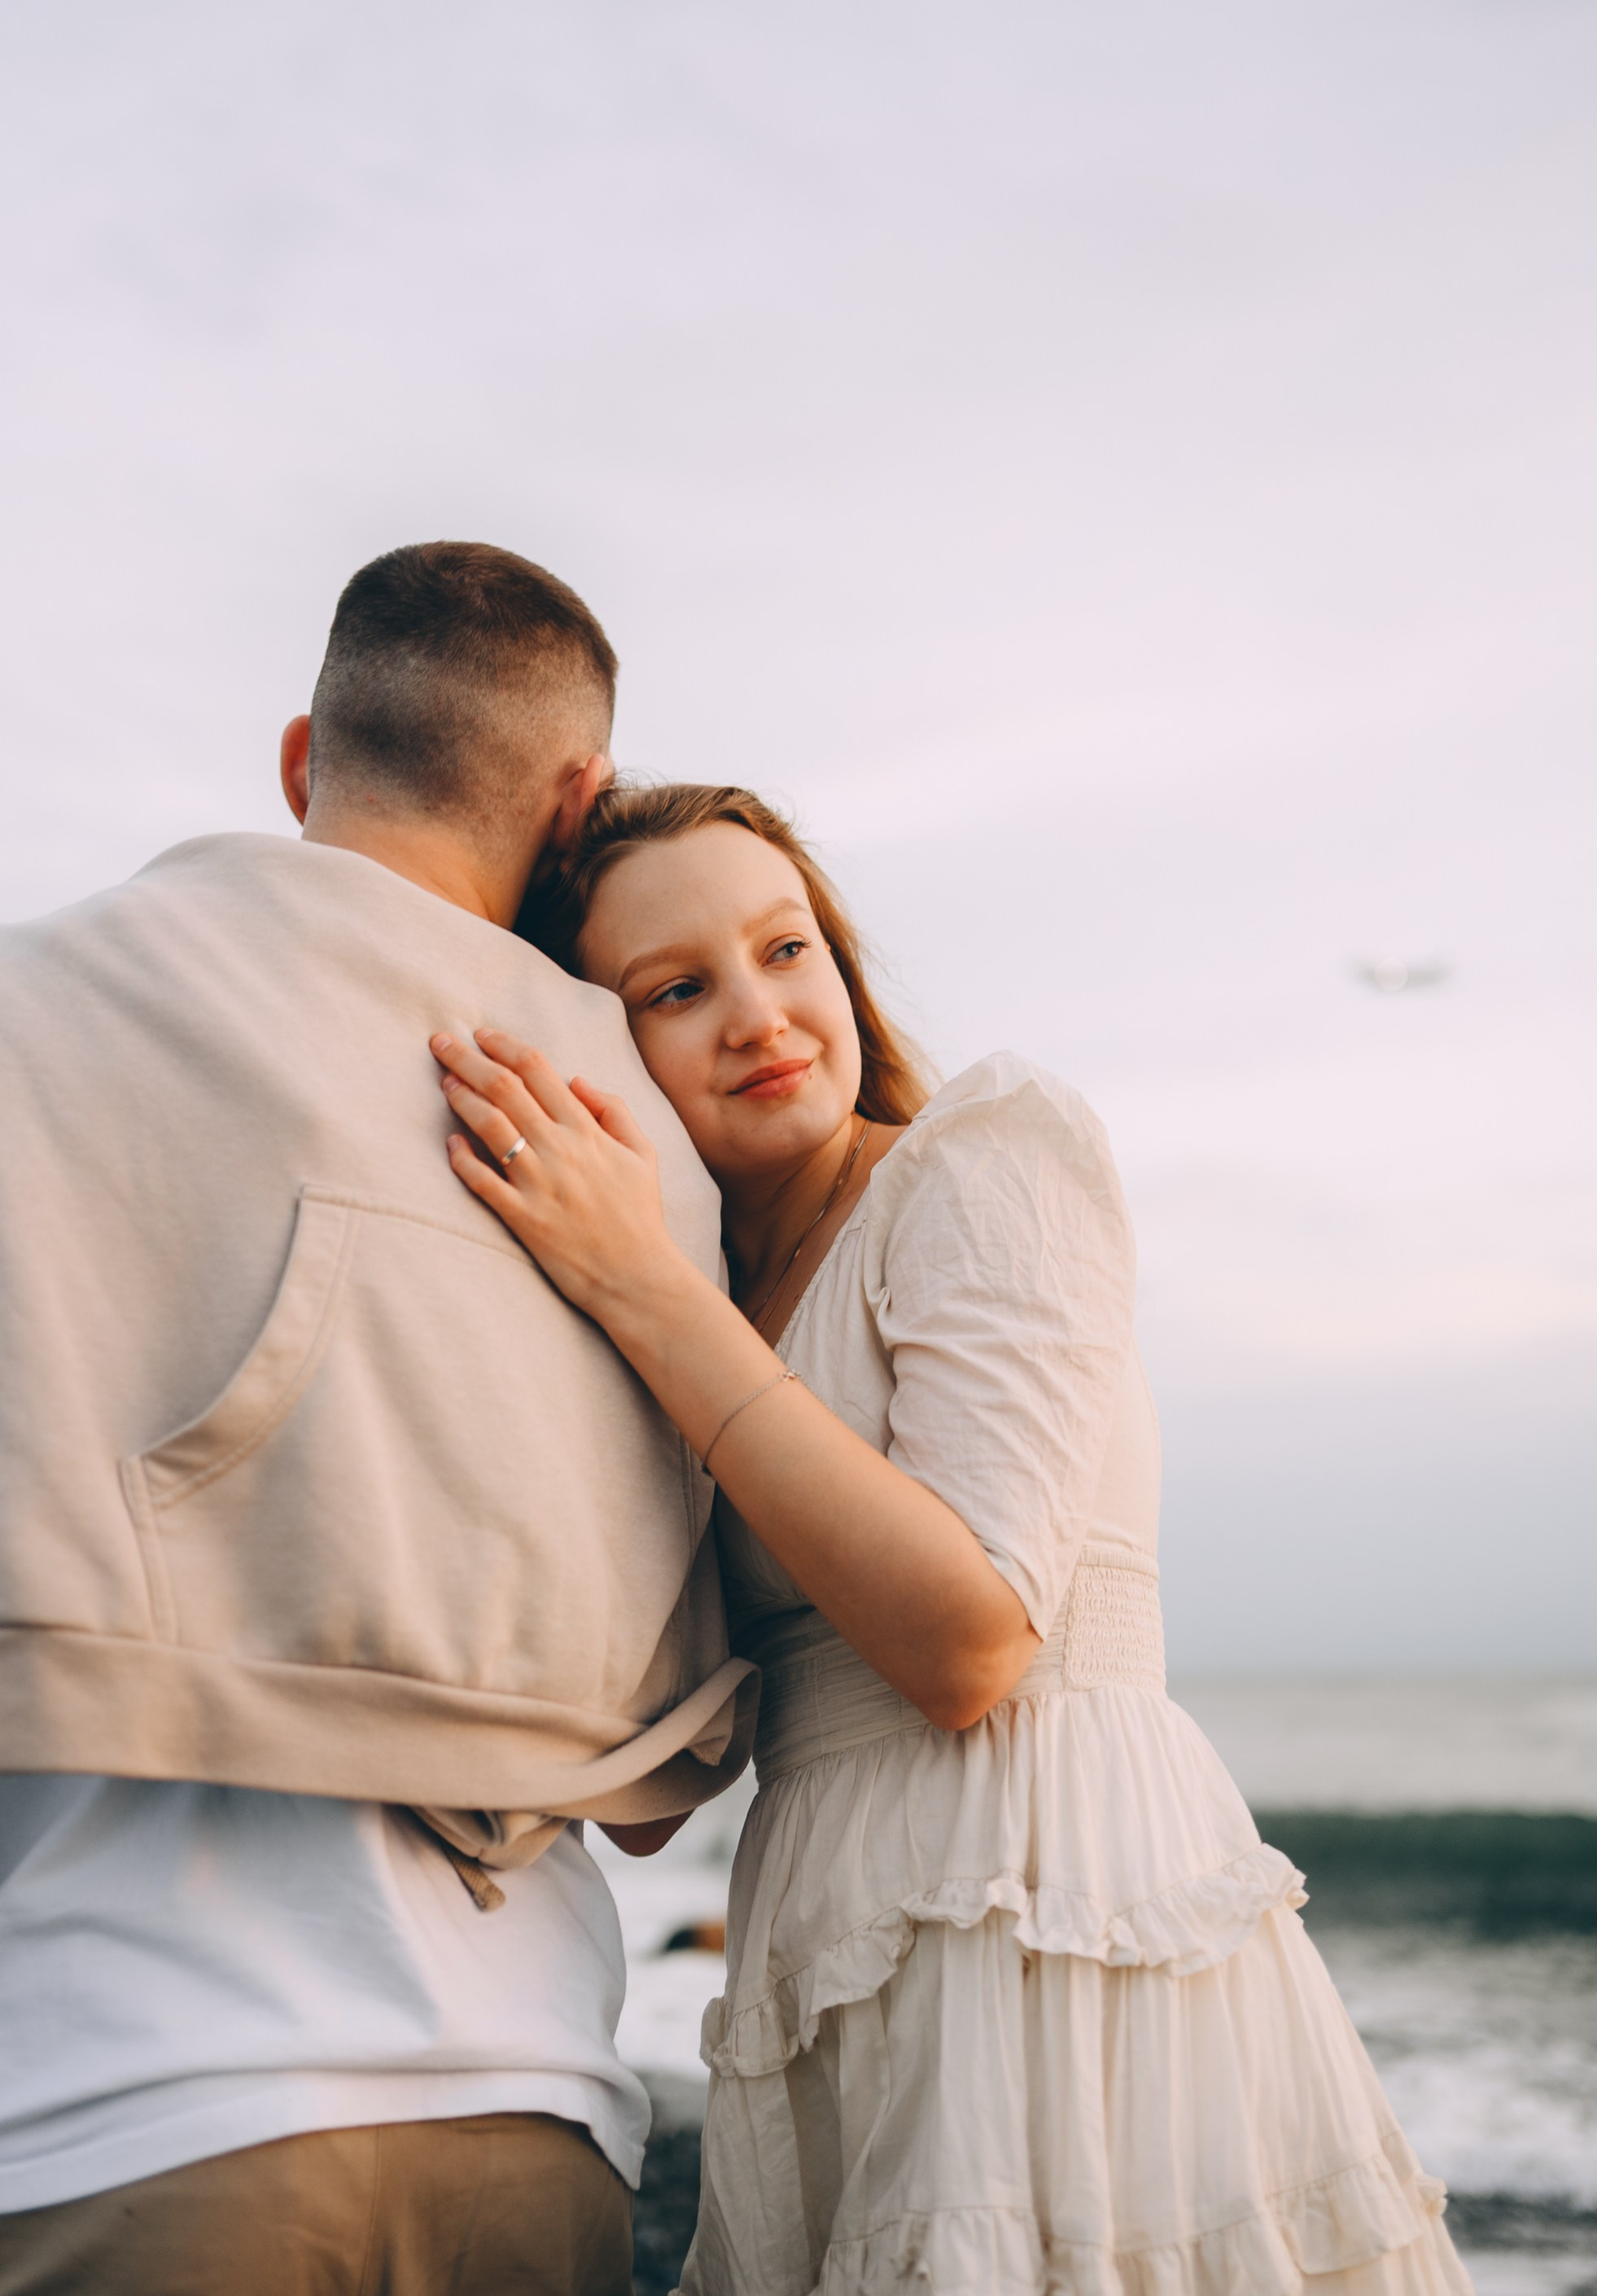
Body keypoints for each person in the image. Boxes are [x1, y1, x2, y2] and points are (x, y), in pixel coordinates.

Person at [432, 781, 1473, 2296]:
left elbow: (969, 1640)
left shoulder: (978, 1163)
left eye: (786, 951)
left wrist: (643, 1296)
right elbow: (655, 1795)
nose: (758, 1015)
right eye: (677, 990)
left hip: (1047, 1906)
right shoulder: (692, 1310)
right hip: (827, 1944)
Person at [0, 551, 756, 2296]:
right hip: (533, 2120)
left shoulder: (33, 1016)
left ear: (300, 759)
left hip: (118, 2098)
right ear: (578, 810)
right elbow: (649, 1794)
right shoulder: (643, 1132)